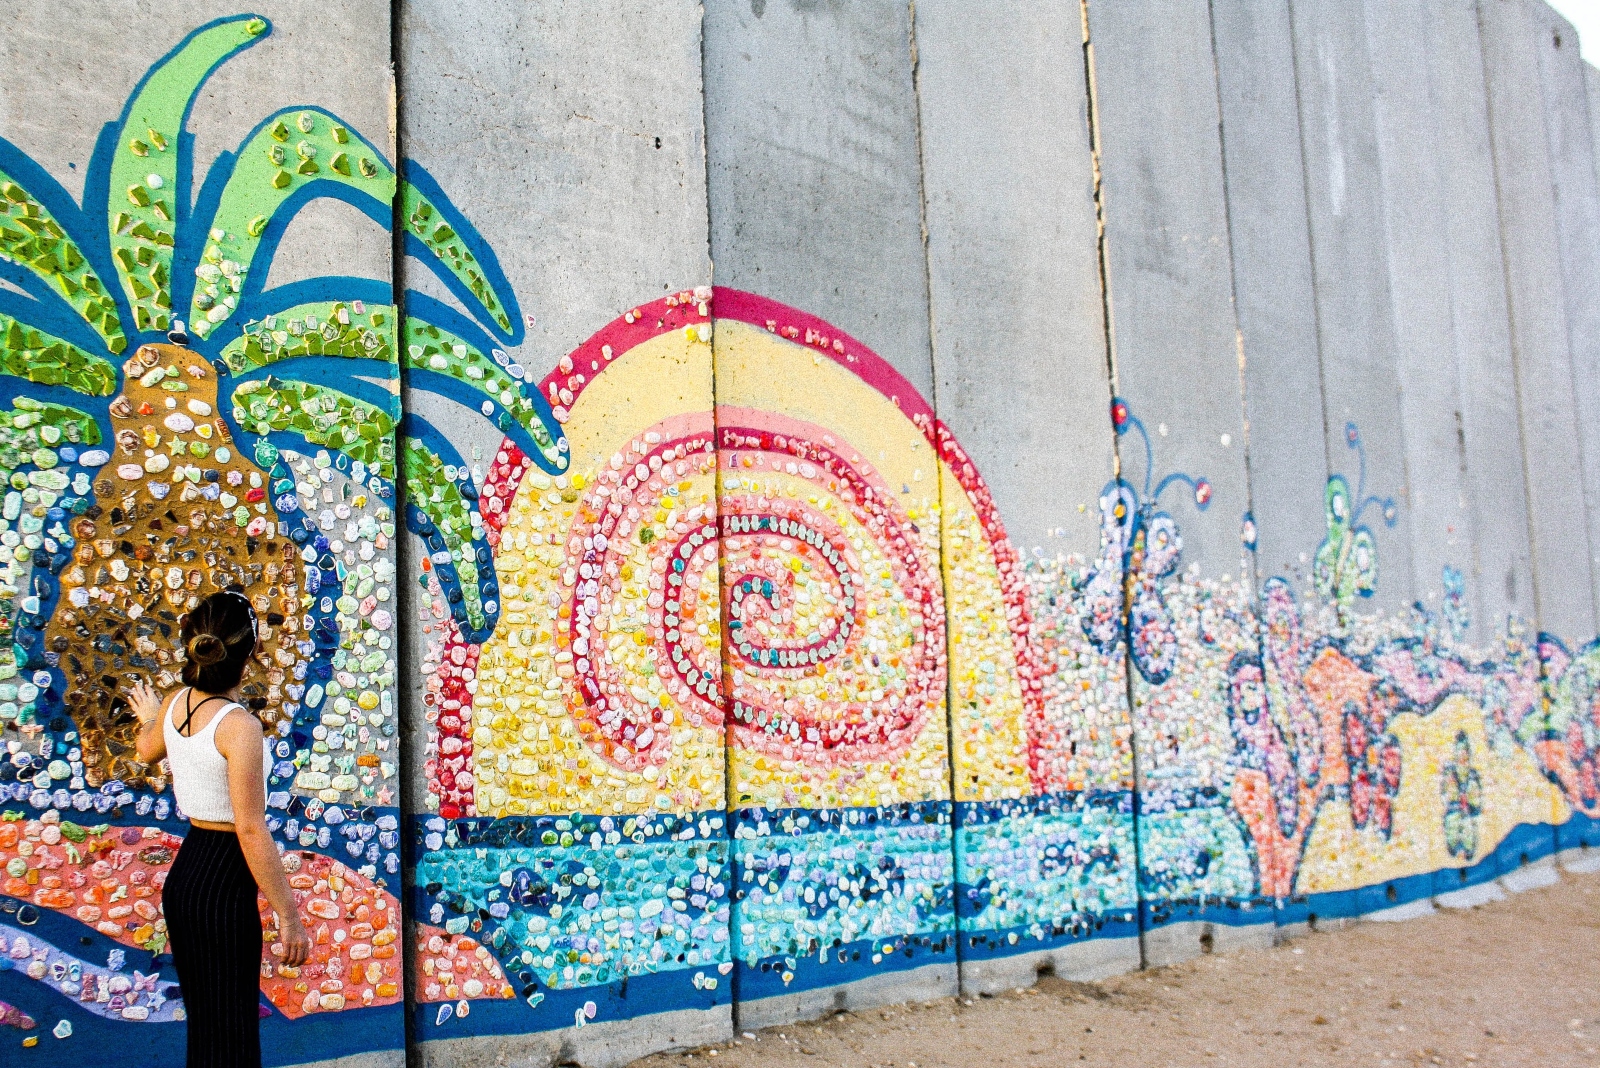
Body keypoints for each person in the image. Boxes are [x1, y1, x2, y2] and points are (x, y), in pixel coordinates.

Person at [127, 588, 312, 1068]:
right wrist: (288, 916)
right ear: (249, 655)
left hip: (187, 878)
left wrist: (150, 717)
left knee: (208, 1031)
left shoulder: (176, 703)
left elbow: (146, 749)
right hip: (222, 883)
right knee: (233, 1036)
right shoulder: (239, 727)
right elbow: (250, 830)